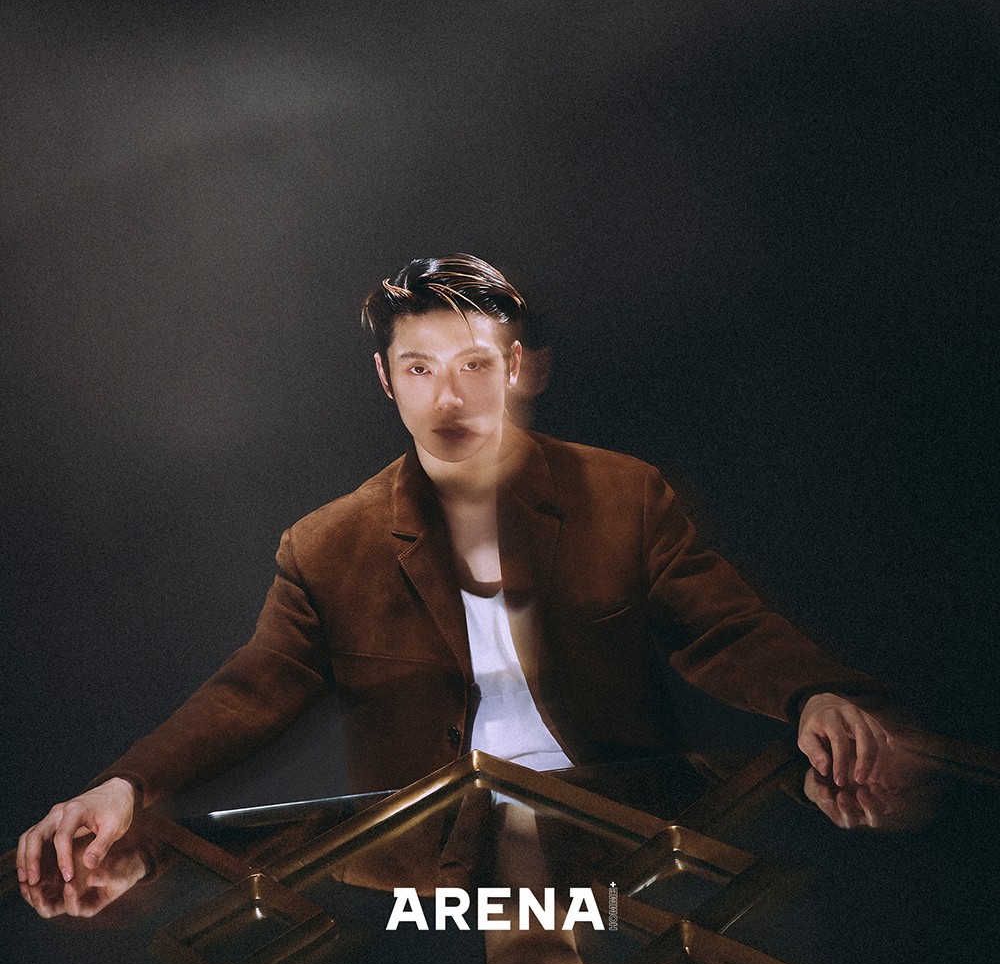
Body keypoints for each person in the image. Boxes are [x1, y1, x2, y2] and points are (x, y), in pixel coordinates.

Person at [17, 254, 893, 896]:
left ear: (514, 368)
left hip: (618, 829)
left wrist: (814, 695)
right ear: (385, 379)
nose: (448, 398)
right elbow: (253, 690)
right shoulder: (326, 544)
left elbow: (722, 628)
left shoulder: (622, 494)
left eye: (474, 364)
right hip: (426, 866)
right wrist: (125, 785)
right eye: (419, 369)